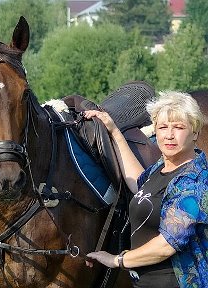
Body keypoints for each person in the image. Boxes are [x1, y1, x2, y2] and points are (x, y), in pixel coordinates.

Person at [84, 91, 208, 288]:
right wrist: (114, 132)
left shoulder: (194, 181)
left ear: (195, 133)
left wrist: (117, 260)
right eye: (163, 127)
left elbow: (167, 245)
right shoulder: (162, 168)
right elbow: (140, 185)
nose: (169, 135)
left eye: (178, 127)